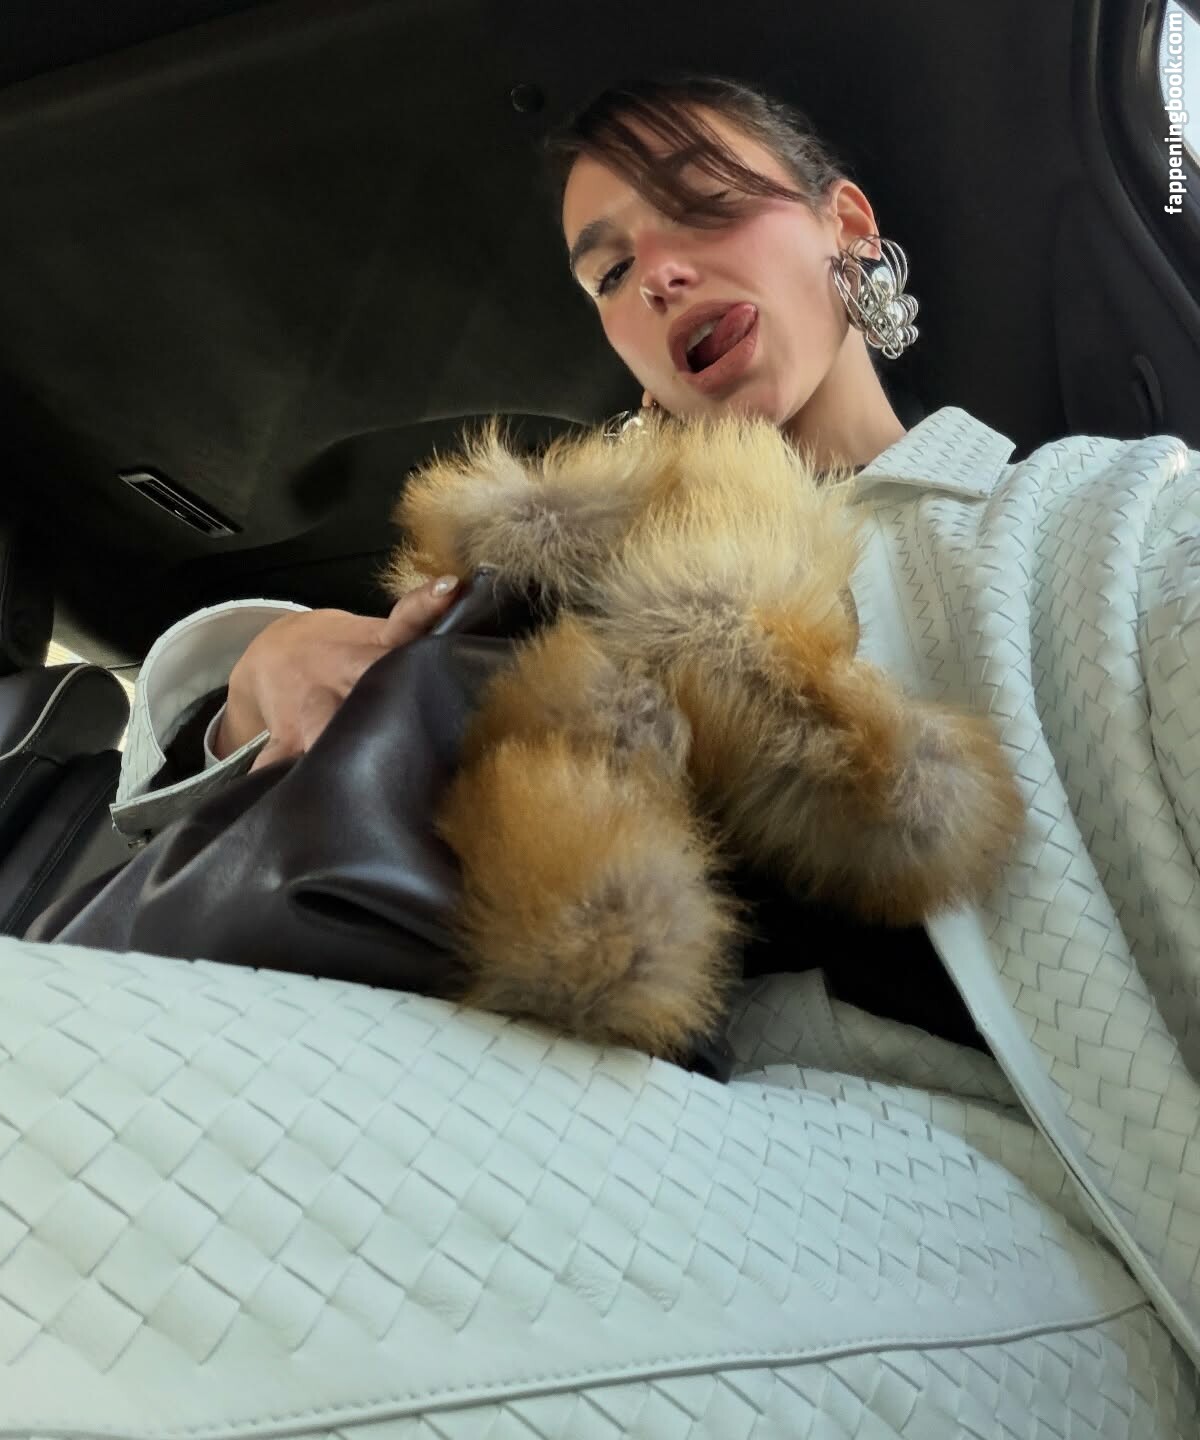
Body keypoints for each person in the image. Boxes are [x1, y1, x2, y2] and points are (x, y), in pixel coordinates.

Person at [103, 74, 1200, 1378]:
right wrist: (254, 662)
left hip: (1009, 1228)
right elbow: (236, 839)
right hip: (506, 1138)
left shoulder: (1096, 516)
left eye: (706, 203)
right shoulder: (553, 583)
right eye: (611, 271)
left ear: (848, 229)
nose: (661, 275)